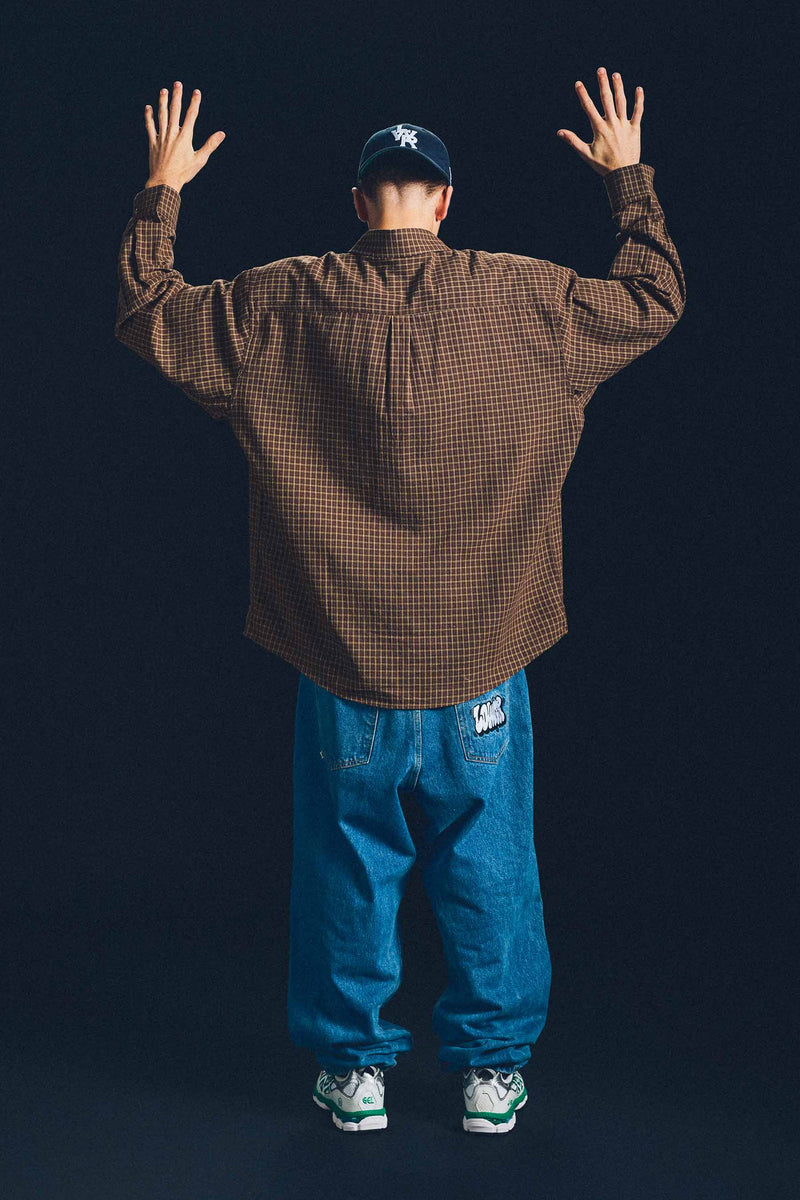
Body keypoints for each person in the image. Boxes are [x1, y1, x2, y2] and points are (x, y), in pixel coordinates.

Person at [115, 68, 686, 1135]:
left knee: (348, 870)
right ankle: (490, 1074)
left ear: (357, 200)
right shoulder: (525, 298)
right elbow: (654, 298)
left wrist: (163, 191)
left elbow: (150, 311)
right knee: (491, 873)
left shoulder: (284, 301)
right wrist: (627, 180)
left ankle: (355, 1073)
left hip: (345, 666)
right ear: (445, 202)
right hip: (483, 663)